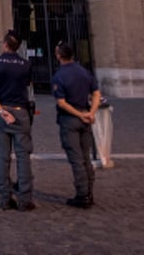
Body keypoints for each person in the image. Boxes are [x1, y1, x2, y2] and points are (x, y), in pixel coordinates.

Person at [0, 30, 35, 211]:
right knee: (23, 157)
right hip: (20, 112)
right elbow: (27, 86)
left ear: (5, 44)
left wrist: (0, 110)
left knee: (3, 157)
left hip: (2, 112)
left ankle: (5, 198)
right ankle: (25, 199)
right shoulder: (26, 64)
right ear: (18, 46)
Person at [51, 41, 100, 208]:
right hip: (86, 118)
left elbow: (62, 103)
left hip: (70, 119)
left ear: (59, 56)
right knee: (86, 158)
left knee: (76, 159)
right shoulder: (84, 72)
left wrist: (80, 114)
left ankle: (82, 195)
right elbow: (96, 93)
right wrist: (91, 113)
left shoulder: (59, 76)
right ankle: (90, 192)